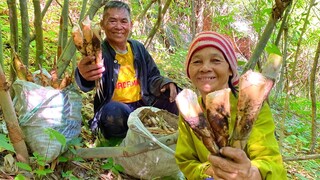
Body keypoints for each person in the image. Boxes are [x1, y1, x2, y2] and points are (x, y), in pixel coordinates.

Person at [174, 31, 287, 179]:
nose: (205, 68)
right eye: (197, 62)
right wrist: (211, 171)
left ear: (230, 70)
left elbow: (272, 163)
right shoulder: (189, 111)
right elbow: (186, 161)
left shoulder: (252, 105)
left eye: (216, 60)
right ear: (189, 71)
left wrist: (251, 173)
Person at [75, 0, 180, 140]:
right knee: (114, 113)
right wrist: (83, 75)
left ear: (130, 25)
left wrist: (165, 83)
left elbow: (152, 76)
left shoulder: (138, 48)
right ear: (102, 25)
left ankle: (176, 137)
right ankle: (121, 145)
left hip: (143, 104)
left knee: (178, 95)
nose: (119, 26)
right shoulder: (99, 52)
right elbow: (88, 80)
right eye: (112, 21)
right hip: (116, 108)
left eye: (124, 21)